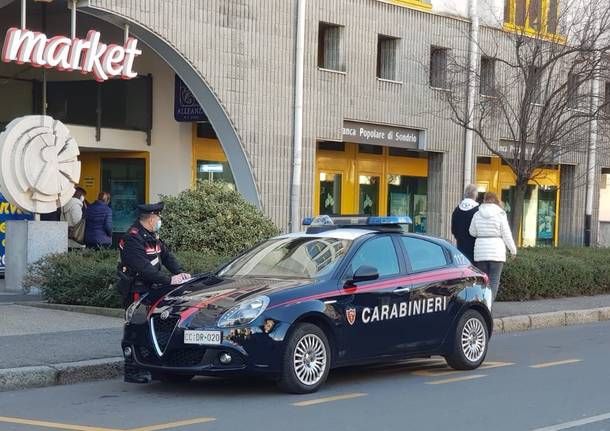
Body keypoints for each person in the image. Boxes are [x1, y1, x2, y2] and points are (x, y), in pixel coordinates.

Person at [117, 202, 191, 307]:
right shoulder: (132, 238)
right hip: (138, 290)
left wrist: (180, 273)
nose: (160, 221)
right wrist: (169, 280)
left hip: (152, 286)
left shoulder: (150, 235)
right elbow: (143, 267)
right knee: (139, 322)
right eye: (158, 218)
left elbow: (166, 256)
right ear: (151, 220)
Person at [469, 192, 517, 300]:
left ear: (484, 200)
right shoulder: (500, 214)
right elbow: (506, 234)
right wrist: (513, 250)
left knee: (483, 280)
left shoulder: (477, 214)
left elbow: (471, 232)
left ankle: (482, 304)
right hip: (496, 252)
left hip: (480, 252)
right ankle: (489, 305)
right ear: (496, 200)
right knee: (494, 280)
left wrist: (482, 233)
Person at [451, 184, 480, 263]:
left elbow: (453, 230)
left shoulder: (457, 209)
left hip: (460, 245)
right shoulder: (478, 210)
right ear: (475, 195)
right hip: (474, 247)